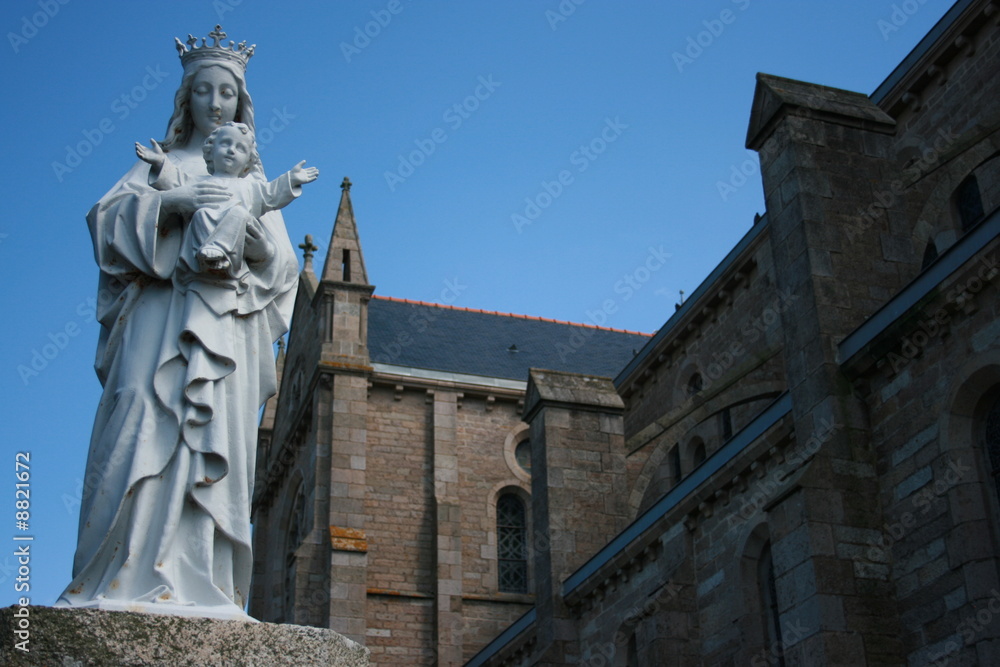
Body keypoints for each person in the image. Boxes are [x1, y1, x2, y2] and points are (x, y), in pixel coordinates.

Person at [57, 27, 300, 620]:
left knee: (213, 434)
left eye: (226, 94)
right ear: (185, 98)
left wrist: (250, 245)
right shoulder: (163, 165)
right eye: (204, 92)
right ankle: (116, 575)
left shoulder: (248, 180)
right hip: (158, 318)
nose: (215, 105)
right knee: (138, 412)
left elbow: (282, 265)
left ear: (240, 106)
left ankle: (201, 577)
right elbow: (105, 223)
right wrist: (173, 204)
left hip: (224, 325)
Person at [136, 123, 318, 276]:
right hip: (203, 244)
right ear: (210, 151)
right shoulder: (200, 182)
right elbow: (178, 180)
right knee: (202, 215)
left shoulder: (249, 187)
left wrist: (290, 179)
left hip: (237, 234)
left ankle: (220, 251)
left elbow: (272, 193)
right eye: (225, 144)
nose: (231, 150)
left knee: (238, 213)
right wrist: (161, 163)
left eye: (240, 148)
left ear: (248, 161)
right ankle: (206, 255)